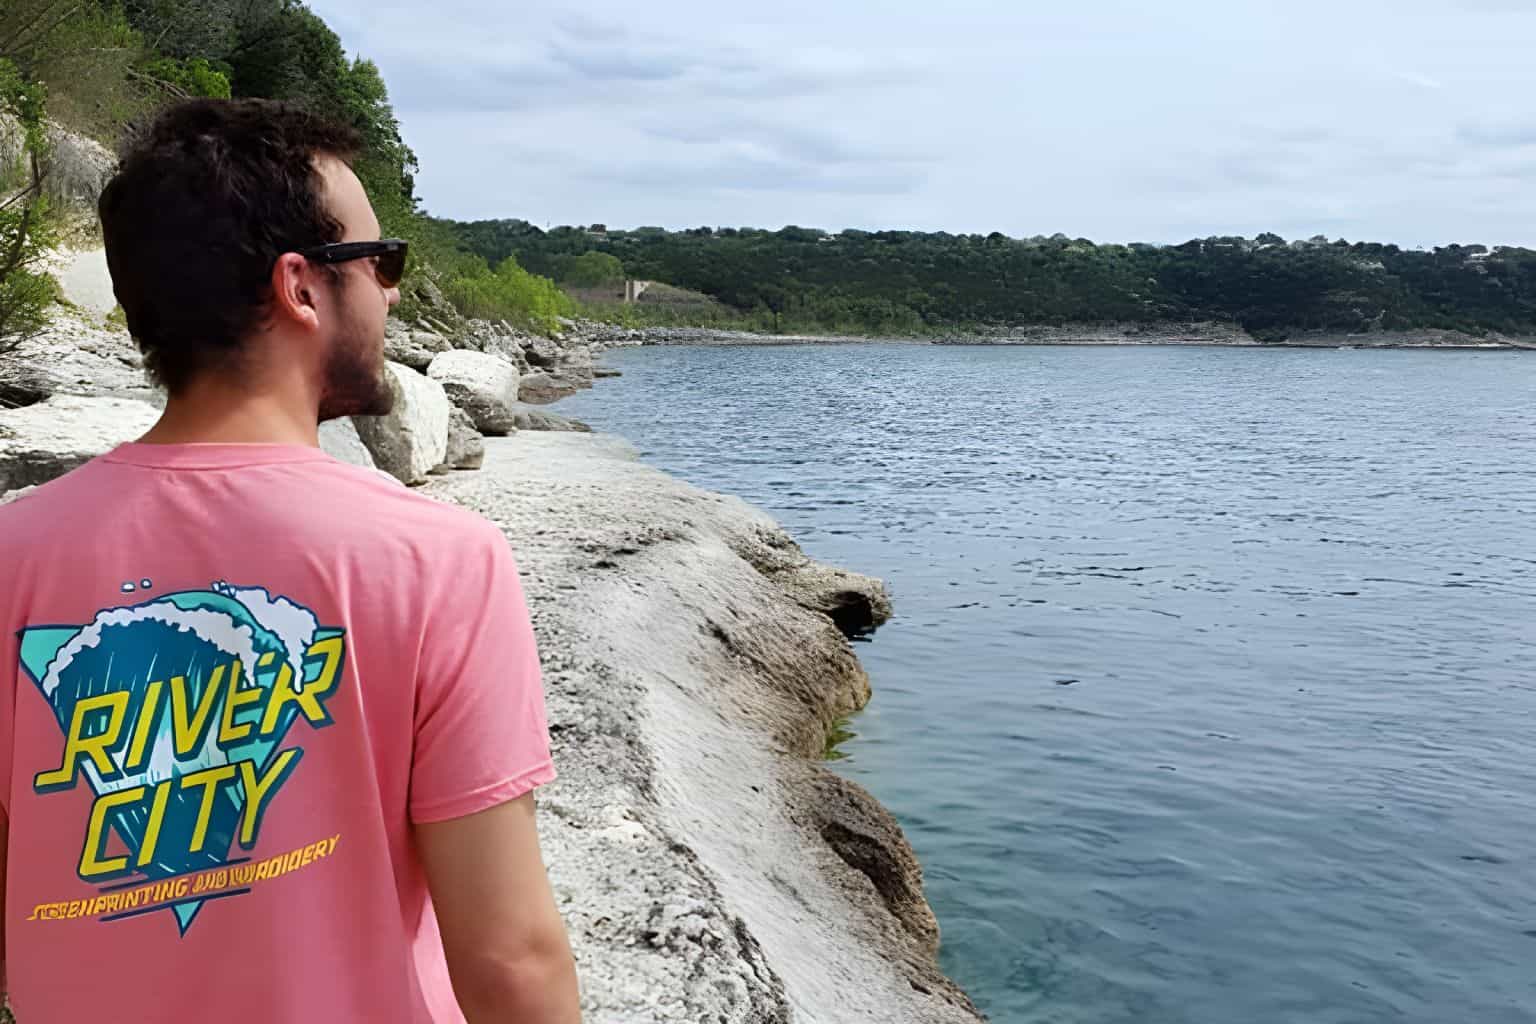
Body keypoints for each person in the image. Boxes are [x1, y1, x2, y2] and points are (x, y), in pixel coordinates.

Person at [0, 99, 581, 1023]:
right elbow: (510, 956)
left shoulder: (12, 555)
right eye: (379, 262)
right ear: (301, 287)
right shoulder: (437, 562)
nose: (390, 292)